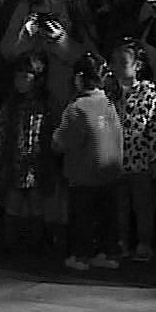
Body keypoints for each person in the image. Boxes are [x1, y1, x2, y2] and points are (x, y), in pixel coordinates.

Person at [54, 54, 124, 272]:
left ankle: (80, 255)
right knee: (106, 217)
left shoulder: (77, 107)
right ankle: (107, 253)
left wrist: (54, 142)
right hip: (109, 173)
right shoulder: (109, 103)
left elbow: (64, 140)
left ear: (79, 78)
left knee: (81, 218)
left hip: (83, 175)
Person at [0, 52, 59, 254]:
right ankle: (10, 242)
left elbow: (54, 131)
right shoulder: (11, 105)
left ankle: (37, 241)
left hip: (37, 161)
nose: (20, 81)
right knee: (13, 200)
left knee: (36, 201)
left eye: (25, 77)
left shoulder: (46, 106)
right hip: (14, 161)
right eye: (17, 77)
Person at [110, 41, 156, 262]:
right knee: (119, 205)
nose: (117, 66)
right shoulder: (109, 92)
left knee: (143, 206)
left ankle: (144, 242)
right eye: (114, 62)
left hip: (140, 159)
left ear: (137, 66)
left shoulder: (148, 93)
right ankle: (121, 241)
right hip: (115, 160)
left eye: (123, 63)